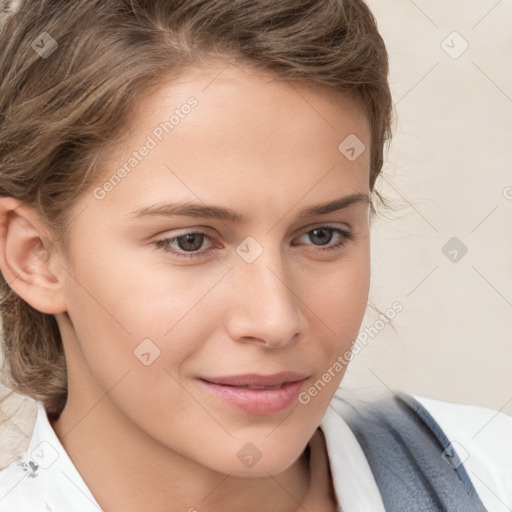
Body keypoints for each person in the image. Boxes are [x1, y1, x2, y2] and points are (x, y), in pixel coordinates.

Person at [0, 0, 510, 511]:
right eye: (190, 242)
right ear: (35, 256)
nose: (275, 320)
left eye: (322, 235)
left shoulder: (492, 472)